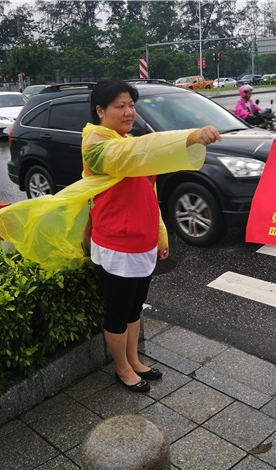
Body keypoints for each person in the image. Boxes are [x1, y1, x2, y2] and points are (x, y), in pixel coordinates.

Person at [82, 80, 221, 393]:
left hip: (141, 241)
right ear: (100, 110)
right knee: (118, 313)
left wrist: (160, 237)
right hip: (117, 244)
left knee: (134, 309)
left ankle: (133, 359)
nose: (130, 112)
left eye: (132, 105)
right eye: (121, 106)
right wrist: (190, 136)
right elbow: (135, 153)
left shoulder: (126, 140)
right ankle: (121, 368)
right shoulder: (96, 145)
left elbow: (149, 193)